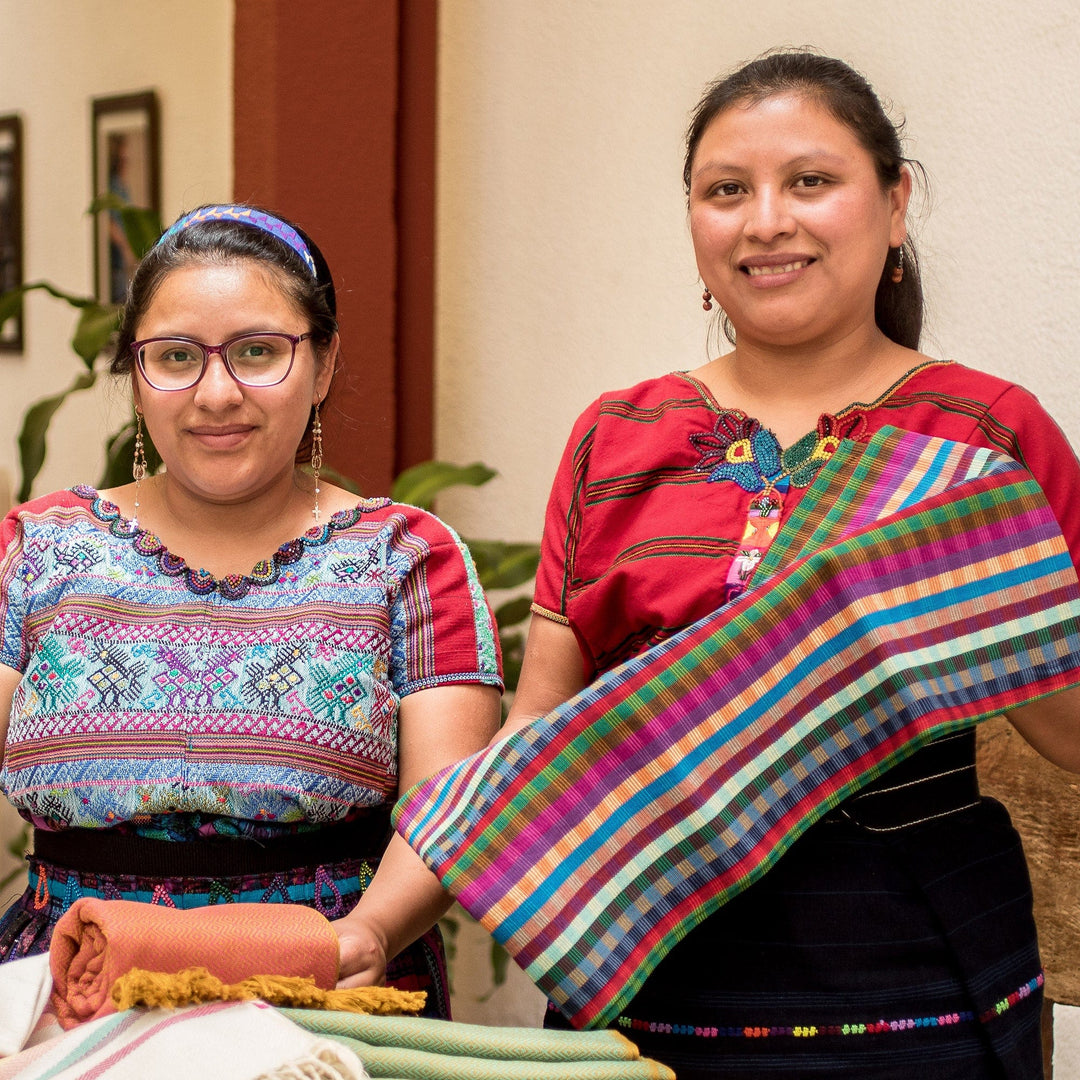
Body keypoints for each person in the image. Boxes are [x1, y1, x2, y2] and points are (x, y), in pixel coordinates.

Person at [498, 52, 1080, 1077]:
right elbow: (539, 724)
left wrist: (985, 602)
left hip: (920, 992)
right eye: (727, 191)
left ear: (895, 205)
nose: (766, 220)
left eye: (811, 181)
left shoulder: (989, 435)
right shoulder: (617, 435)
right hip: (649, 985)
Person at [0, 204, 503, 1018]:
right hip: (73, 1000)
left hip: (332, 996)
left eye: (258, 353)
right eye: (174, 358)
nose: (217, 394)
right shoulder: (36, 549)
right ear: (135, 372)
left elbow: (450, 812)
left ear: (326, 362)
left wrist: (365, 938)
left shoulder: (406, 558)